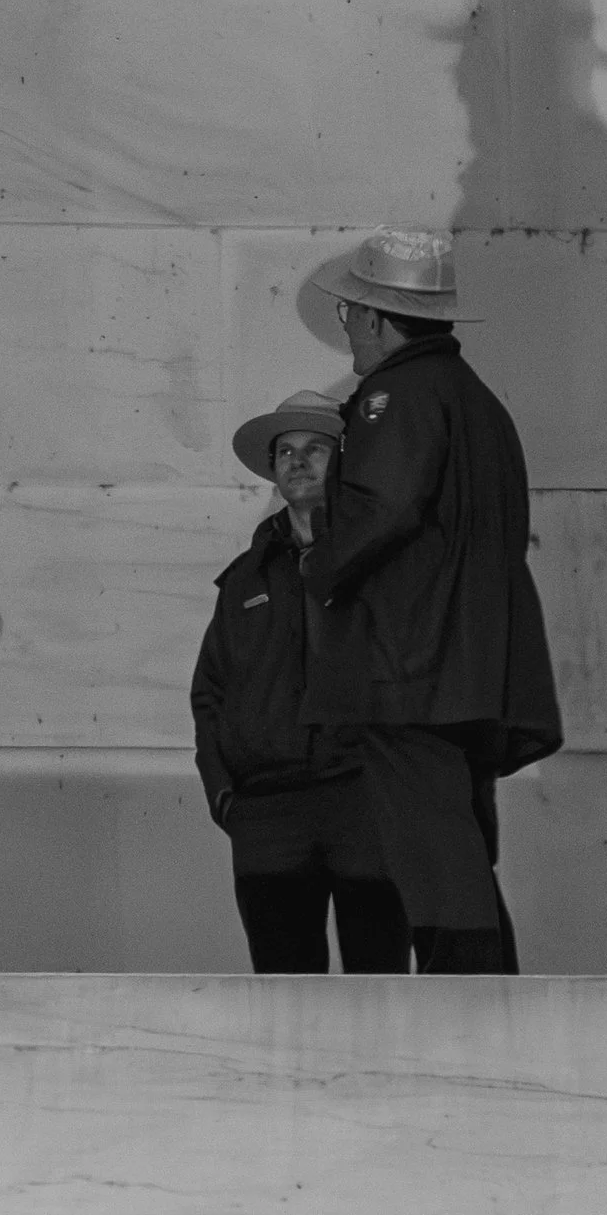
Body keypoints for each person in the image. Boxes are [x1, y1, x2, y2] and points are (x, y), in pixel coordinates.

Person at [301, 228, 562, 974]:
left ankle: (468, 1004)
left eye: (351, 313)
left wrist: (317, 564)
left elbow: (382, 507)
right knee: (460, 843)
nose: (347, 328)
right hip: (466, 671)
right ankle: (487, 995)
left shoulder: (397, 395)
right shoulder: (476, 403)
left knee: (431, 850)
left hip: (408, 669)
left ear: (380, 320)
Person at [191, 387, 412, 975]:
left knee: (379, 986)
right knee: (284, 998)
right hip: (269, 815)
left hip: (366, 803)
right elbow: (209, 694)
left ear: (346, 461)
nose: (297, 460)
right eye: (285, 450)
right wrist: (225, 797)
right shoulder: (243, 580)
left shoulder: (388, 560)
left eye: (316, 447)